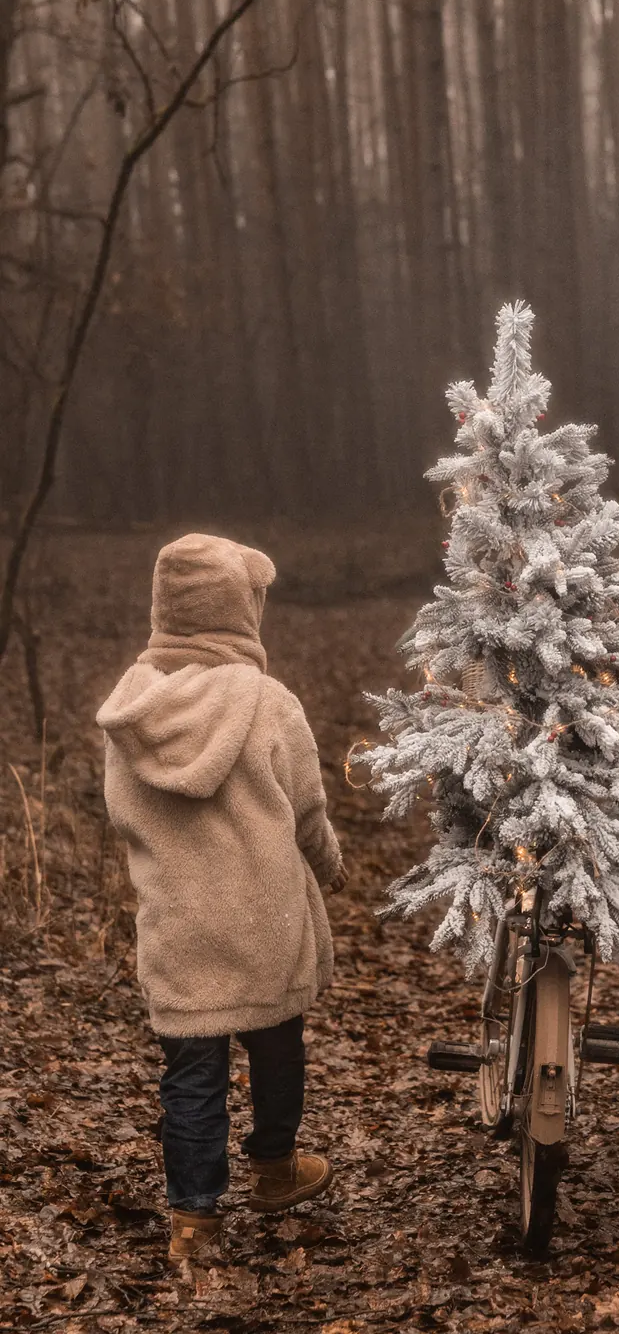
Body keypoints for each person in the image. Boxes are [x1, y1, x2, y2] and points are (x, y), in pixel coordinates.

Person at [97, 533, 347, 1263]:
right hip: (263, 918)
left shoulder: (131, 710)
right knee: (276, 1048)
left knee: (191, 1074)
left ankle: (194, 1222)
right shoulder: (268, 704)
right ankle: (273, 1169)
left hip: (176, 917)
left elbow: (122, 815)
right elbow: (307, 810)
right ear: (241, 609)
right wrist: (328, 867)